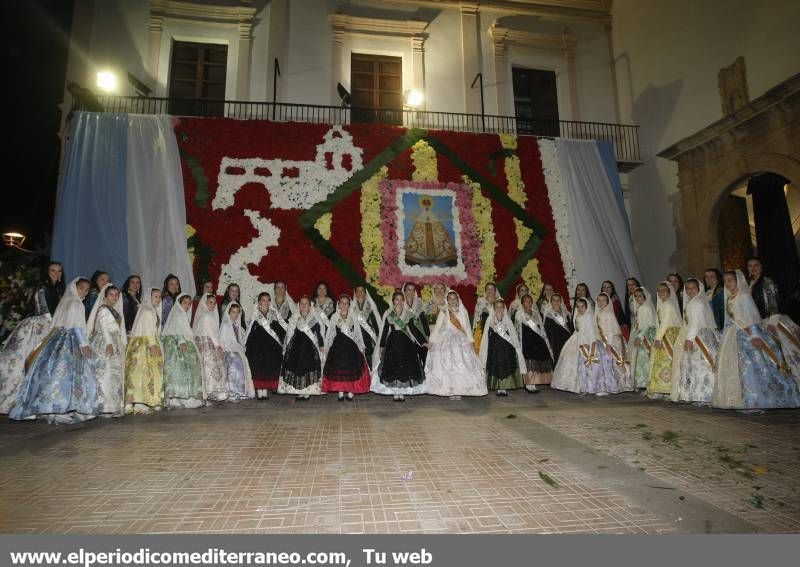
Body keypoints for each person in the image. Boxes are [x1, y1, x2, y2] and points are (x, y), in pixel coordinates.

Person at [10, 278, 97, 424]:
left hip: (57, 339)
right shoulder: (76, 303)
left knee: (54, 373)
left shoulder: (66, 302)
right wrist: (84, 344)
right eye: (81, 288)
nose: (84, 292)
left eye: (87, 290)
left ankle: (51, 408)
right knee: (67, 375)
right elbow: (77, 327)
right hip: (71, 340)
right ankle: (59, 408)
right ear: (75, 288)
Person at [713, 270, 800, 410]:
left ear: (738, 280)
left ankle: (756, 401)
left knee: (752, 368)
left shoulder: (744, 296)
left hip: (747, 335)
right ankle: (738, 400)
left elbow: (751, 317)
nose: (727, 283)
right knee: (738, 368)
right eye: (725, 281)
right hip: (733, 335)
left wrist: (754, 336)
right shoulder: (730, 298)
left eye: (730, 280)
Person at [0, 261, 62, 413]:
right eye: (52, 270)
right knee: (30, 361)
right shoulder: (43, 287)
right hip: (40, 326)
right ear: (46, 272)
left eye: (59, 271)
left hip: (49, 324)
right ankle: (21, 403)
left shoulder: (55, 289)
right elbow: (46, 310)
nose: (56, 273)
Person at [425, 290, 487, 398]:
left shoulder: (463, 311)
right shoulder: (444, 311)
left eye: (455, 298)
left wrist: (471, 342)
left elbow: (467, 328)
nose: (453, 301)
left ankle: (459, 390)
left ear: (458, 300)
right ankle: (450, 389)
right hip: (446, 339)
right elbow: (437, 328)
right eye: (450, 299)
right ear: (447, 300)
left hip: (461, 339)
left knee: (462, 365)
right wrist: (431, 342)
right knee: (448, 366)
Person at [551, 298, 619, 395]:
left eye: (582, 306)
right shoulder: (577, 316)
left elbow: (591, 333)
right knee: (580, 366)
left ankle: (596, 387)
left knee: (592, 366)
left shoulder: (588, 317)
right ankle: (582, 387)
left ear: (587, 307)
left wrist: (590, 346)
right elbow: (577, 329)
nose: (580, 309)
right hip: (577, 340)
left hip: (588, 342)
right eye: (578, 307)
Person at [671, 279, 720, 405]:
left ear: (699, 289)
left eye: (693, 288)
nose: (690, 290)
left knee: (702, 366)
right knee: (696, 366)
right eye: (687, 288)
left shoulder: (696, 303)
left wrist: (689, 338)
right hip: (698, 336)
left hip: (699, 337)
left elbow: (695, 323)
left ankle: (706, 395)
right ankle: (700, 394)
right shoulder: (692, 302)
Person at [372, 291, 427, 401]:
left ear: (404, 301)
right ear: (393, 301)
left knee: (404, 369)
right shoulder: (389, 314)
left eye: (402, 300)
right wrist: (382, 346)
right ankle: (395, 393)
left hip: (406, 344)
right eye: (397, 299)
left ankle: (401, 392)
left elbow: (414, 330)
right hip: (392, 343)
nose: (399, 302)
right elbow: (384, 331)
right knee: (393, 368)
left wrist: (423, 342)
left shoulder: (408, 314)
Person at [86, 283, 126, 417]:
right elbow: (103, 327)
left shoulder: (114, 310)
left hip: (114, 341)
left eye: (116, 295)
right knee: (106, 372)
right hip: (105, 342)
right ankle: (104, 405)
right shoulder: (104, 309)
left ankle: (112, 405)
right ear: (105, 295)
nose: (114, 297)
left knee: (114, 374)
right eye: (111, 294)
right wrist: (108, 343)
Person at [321, 295, 371, 400]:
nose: (344, 305)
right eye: (342, 303)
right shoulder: (334, 317)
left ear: (349, 305)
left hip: (351, 347)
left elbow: (357, 332)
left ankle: (351, 391)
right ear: (338, 304)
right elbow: (330, 332)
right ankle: (340, 391)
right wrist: (328, 346)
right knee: (339, 369)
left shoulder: (353, 316)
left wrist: (361, 345)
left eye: (346, 303)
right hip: (338, 347)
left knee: (351, 369)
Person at [124, 287, 165, 414]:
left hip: (144, 343)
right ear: (149, 297)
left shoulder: (150, 309)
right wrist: (152, 345)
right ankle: (141, 402)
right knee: (144, 373)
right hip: (145, 345)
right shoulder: (148, 311)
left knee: (142, 373)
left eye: (159, 296)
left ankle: (143, 401)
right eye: (155, 296)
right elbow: (148, 330)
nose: (158, 299)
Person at [162, 292, 205, 409]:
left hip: (177, 344)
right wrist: (181, 341)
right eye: (185, 303)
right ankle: (184, 398)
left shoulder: (181, 314)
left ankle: (177, 398)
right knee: (183, 371)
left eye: (189, 303)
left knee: (180, 372)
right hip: (177, 346)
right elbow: (177, 329)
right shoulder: (178, 314)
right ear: (179, 303)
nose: (187, 305)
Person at [278, 296, 326, 399]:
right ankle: (300, 391)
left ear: (310, 306)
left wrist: (321, 345)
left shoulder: (314, 318)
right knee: (298, 369)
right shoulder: (295, 317)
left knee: (308, 368)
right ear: (299, 306)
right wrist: (287, 346)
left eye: (306, 304)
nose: (304, 306)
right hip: (297, 347)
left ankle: (308, 391)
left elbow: (318, 333)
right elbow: (290, 332)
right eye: (302, 304)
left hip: (310, 348)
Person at [480, 300, 527, 396]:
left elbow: (512, 334)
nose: (499, 309)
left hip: (506, 348)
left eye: (501, 307)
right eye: (497, 307)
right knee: (496, 367)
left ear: (504, 308)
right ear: (494, 309)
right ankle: (499, 387)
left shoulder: (507, 319)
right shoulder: (490, 319)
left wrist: (516, 348)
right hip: (494, 349)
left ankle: (504, 387)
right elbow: (486, 335)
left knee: (506, 366)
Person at [245, 292, 286, 400]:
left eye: (268, 300)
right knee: (258, 369)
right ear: (259, 302)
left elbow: (279, 330)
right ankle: (259, 391)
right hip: (257, 347)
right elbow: (250, 331)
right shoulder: (255, 315)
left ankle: (265, 391)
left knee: (268, 368)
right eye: (263, 300)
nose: (266, 302)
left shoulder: (273, 315)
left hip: (270, 347)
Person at [646, 282, 684, 398]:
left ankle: (668, 389)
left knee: (667, 361)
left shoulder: (668, 305)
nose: (661, 293)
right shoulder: (662, 304)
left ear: (669, 292)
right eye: (659, 290)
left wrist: (658, 338)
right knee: (663, 362)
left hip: (669, 335)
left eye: (664, 290)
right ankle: (662, 389)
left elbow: (666, 322)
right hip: (665, 334)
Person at [193, 293, 228, 402]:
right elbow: (212, 333)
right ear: (205, 303)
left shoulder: (206, 315)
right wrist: (218, 346)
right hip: (208, 344)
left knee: (206, 367)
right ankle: (211, 392)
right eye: (210, 303)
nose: (213, 305)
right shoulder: (207, 316)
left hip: (203, 343)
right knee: (211, 366)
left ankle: (208, 393)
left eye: (214, 303)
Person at [596, 292, 633, 392]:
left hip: (612, 341)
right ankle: (611, 384)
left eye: (603, 300)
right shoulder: (599, 313)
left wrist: (608, 344)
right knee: (607, 363)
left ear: (607, 302)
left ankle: (624, 383)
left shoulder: (609, 314)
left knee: (617, 362)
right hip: (602, 340)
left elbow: (611, 331)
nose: (600, 302)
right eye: (599, 300)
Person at [514, 294, 553, 389]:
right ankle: (528, 383)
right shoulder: (519, 313)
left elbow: (541, 327)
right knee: (529, 361)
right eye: (526, 301)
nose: (529, 303)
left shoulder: (535, 313)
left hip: (537, 339)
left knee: (537, 361)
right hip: (526, 340)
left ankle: (534, 382)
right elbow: (518, 328)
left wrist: (544, 338)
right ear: (522, 303)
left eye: (530, 301)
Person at [219, 302, 254, 401]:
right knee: (235, 362)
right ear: (229, 313)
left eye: (237, 312)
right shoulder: (225, 325)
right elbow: (222, 340)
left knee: (242, 362)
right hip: (228, 351)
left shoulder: (237, 326)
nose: (235, 314)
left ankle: (241, 391)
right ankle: (232, 392)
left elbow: (240, 341)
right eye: (233, 312)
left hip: (237, 350)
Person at [628, 287, 657, 389]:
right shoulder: (641, 307)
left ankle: (645, 382)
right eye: (635, 296)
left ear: (644, 296)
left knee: (644, 359)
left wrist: (640, 336)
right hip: (643, 334)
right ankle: (645, 382)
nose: (637, 298)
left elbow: (648, 325)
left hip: (646, 336)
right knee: (642, 360)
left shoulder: (645, 308)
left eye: (639, 296)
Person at [352, 285, 382, 372]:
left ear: (365, 294)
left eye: (362, 291)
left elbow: (376, 325)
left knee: (370, 365)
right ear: (355, 293)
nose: (360, 293)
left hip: (369, 340)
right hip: (356, 339)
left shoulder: (371, 307)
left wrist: (378, 340)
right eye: (358, 291)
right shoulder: (351, 307)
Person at [403, 282, 430, 363]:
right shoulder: (401, 305)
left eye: (413, 290)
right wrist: (422, 342)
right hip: (407, 336)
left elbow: (423, 320)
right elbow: (409, 325)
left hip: (421, 335)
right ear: (404, 291)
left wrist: (428, 335)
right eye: (409, 290)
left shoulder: (418, 303)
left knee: (426, 359)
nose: (411, 292)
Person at [543, 294, 573, 364]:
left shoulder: (566, 313)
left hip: (567, 342)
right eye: (554, 300)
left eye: (558, 300)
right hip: (555, 344)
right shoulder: (548, 314)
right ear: (551, 302)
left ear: (561, 301)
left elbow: (570, 328)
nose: (556, 302)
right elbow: (547, 331)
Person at [472, 282, 501, 353]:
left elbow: (504, 316)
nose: (490, 291)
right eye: (488, 289)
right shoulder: (480, 301)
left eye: (492, 289)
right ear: (485, 291)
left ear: (495, 291)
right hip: (483, 328)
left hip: (497, 329)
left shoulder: (499, 301)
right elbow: (477, 316)